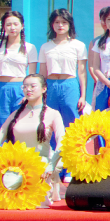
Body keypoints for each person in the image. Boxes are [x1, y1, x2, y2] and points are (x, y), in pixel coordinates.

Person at [0, 74, 65, 206]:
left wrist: (52, 165)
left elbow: (62, 142)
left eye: (32, 86)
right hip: (16, 166)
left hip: (41, 165)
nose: (28, 89)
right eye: (25, 86)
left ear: (44, 89)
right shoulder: (15, 114)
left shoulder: (53, 114)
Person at [40, 8, 87, 128]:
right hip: (50, 86)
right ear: (52, 24)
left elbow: (82, 73)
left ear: (70, 24)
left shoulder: (78, 45)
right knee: (49, 121)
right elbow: (42, 74)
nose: (60, 25)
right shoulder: (45, 47)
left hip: (70, 85)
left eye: (64, 22)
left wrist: (83, 96)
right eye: (56, 22)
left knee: (72, 120)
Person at [0, 11, 37, 124]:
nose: (12, 28)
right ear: (4, 26)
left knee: (19, 123)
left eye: (15, 24)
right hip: (1, 88)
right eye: (8, 24)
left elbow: (32, 75)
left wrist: (28, 93)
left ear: (22, 26)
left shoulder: (30, 48)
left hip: (20, 89)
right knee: (2, 123)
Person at [88, 8, 110, 112]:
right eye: (109, 19)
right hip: (103, 84)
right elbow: (96, 68)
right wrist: (109, 84)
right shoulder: (99, 42)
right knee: (101, 114)